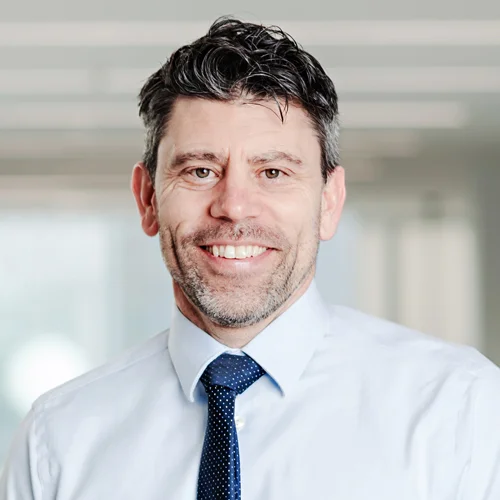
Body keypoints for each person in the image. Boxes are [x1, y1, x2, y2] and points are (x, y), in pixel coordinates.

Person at [1, 16, 500, 500]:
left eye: (274, 173)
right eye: (199, 171)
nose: (233, 206)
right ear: (148, 198)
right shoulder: (59, 441)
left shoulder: (459, 411)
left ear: (328, 202)